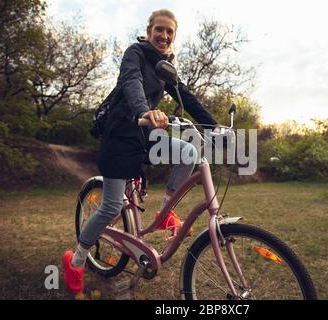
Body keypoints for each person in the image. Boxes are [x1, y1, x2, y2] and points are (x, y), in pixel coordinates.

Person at [62, 9, 218, 294]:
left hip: (145, 137)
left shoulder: (166, 68)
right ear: (149, 33)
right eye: (159, 29)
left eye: (170, 32)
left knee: (188, 152)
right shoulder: (135, 53)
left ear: (174, 38)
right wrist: (145, 111)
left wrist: (215, 126)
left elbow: (188, 96)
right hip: (120, 136)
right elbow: (132, 82)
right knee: (110, 206)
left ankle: (165, 212)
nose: (164, 35)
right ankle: (77, 259)